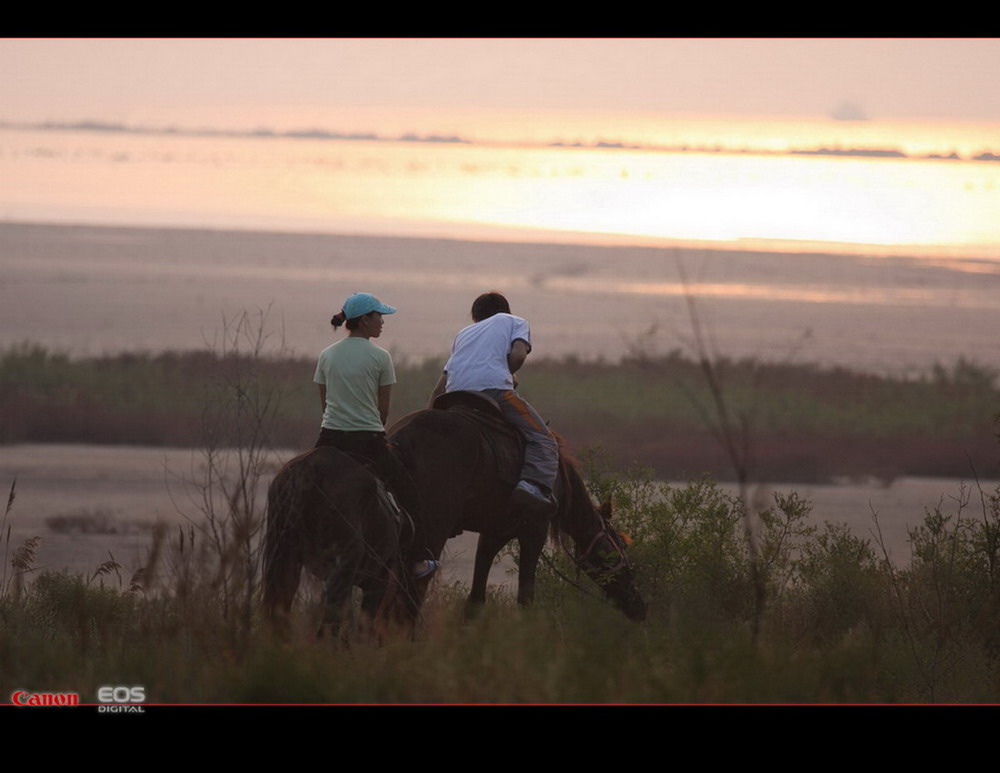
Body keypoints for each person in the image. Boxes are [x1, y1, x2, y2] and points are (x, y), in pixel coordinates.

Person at [314, 292, 437, 578]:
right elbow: (383, 412)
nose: (382, 322)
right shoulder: (381, 358)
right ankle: (418, 559)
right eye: (379, 316)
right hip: (368, 441)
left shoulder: (326, 355)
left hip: (328, 439)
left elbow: (325, 404)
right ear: (365, 320)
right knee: (409, 493)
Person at [430, 291, 559, 513]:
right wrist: (505, 373)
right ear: (505, 311)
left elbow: (439, 387)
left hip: (455, 395)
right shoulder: (515, 322)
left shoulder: (464, 334)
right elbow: (518, 356)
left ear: (476, 317)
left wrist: (432, 416)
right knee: (543, 437)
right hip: (494, 391)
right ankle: (532, 486)